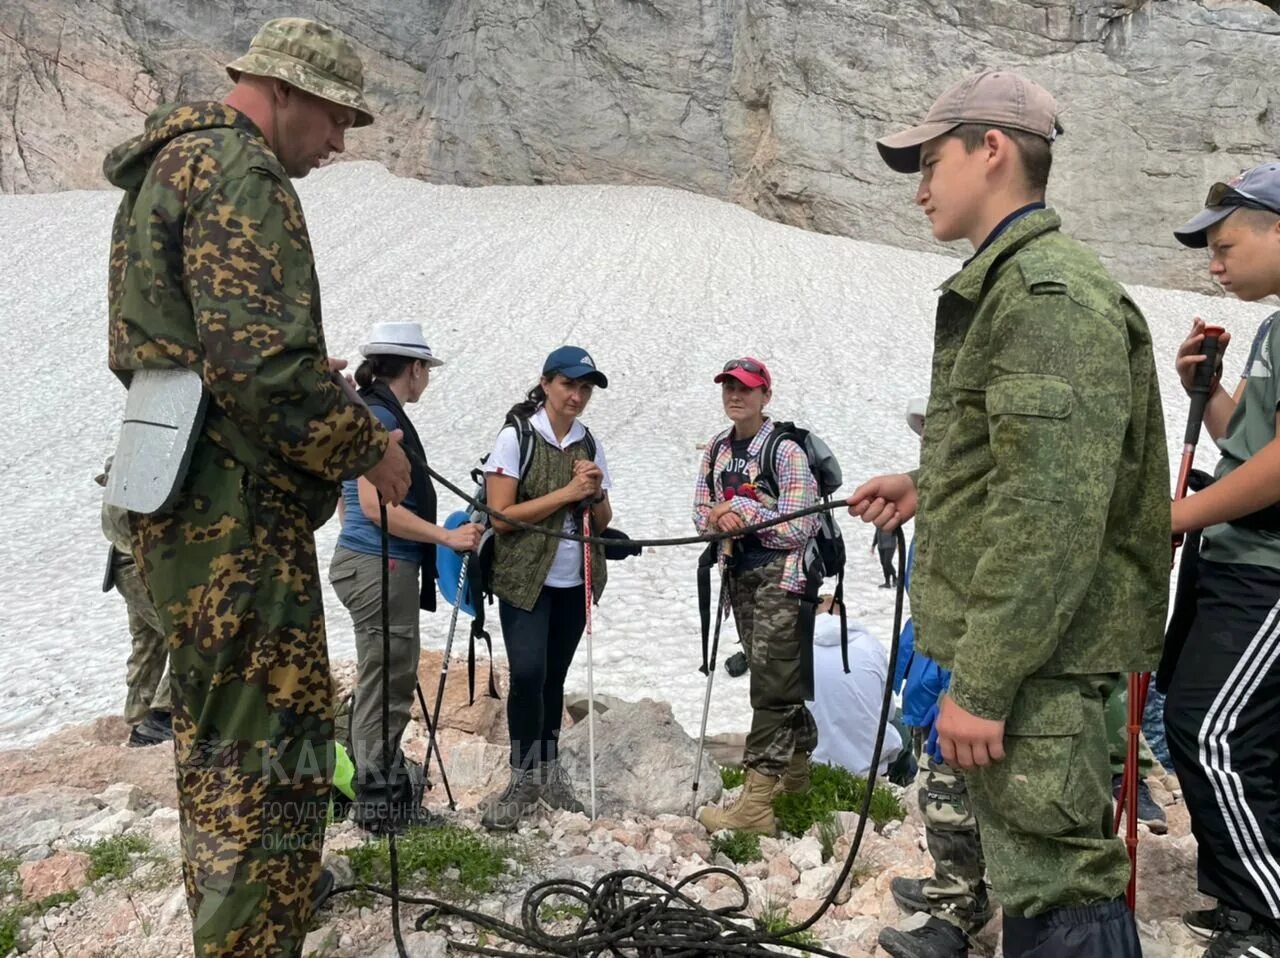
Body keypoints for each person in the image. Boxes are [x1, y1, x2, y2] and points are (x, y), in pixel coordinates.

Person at [104, 18, 411, 957]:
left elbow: (184, 351)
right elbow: (264, 372)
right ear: (285, 90)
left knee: (221, 755)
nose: (338, 144)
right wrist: (370, 447)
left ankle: (235, 928)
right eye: (333, 118)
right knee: (273, 768)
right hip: (235, 524)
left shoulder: (168, 169)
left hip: (180, 512)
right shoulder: (241, 173)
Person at [850, 70, 1169, 957]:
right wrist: (929, 485)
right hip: (1032, 656)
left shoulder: (1044, 299)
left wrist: (981, 684)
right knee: (1040, 886)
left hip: (1036, 668)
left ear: (990, 150)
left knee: (1062, 890)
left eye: (928, 160)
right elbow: (1031, 468)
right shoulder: (1015, 287)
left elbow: (1052, 514)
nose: (918, 186)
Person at [1163, 163, 1280, 957]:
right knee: (1218, 728)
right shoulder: (1274, 329)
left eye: (1226, 244)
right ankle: (1242, 903)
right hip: (1239, 558)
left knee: (1213, 730)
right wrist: (1205, 394)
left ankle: (1268, 917)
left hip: (1270, 570)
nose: (1213, 261)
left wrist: (1182, 513)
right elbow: (1253, 449)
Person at [329, 322, 483, 834]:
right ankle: (378, 802)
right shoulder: (376, 416)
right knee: (388, 679)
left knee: (385, 676)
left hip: (374, 564)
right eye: (425, 371)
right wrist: (444, 537)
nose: (426, 381)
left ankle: (368, 786)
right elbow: (375, 508)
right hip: (381, 564)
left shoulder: (367, 411)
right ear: (413, 369)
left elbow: (347, 505)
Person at [479, 346, 613, 830]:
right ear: (546, 384)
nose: (577, 396)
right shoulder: (516, 438)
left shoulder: (589, 443)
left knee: (553, 678)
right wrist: (569, 493)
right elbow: (501, 516)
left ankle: (546, 771)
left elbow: (604, 518)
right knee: (529, 674)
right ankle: (523, 776)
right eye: (568, 385)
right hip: (524, 579)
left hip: (574, 579)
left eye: (584, 388)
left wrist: (595, 492)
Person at [693, 357, 821, 836]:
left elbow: (800, 523)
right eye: (728, 386)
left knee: (770, 688)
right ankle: (798, 778)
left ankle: (756, 807)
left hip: (781, 579)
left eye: (745, 388)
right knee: (779, 677)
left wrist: (739, 511)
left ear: (765, 395)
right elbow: (700, 513)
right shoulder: (716, 451)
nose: (735, 395)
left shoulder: (785, 451)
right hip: (738, 579)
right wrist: (717, 519)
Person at [97, 459, 173, 748]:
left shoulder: (133, 452)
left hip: (128, 562)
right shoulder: (146, 460)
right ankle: (161, 717)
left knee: (148, 643)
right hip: (144, 565)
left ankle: (138, 720)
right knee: (190, 642)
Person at [806, 596, 902, 777]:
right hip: (868, 767)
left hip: (812, 761)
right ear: (844, 617)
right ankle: (900, 788)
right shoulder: (871, 646)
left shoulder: (796, 648)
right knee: (900, 719)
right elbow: (886, 712)